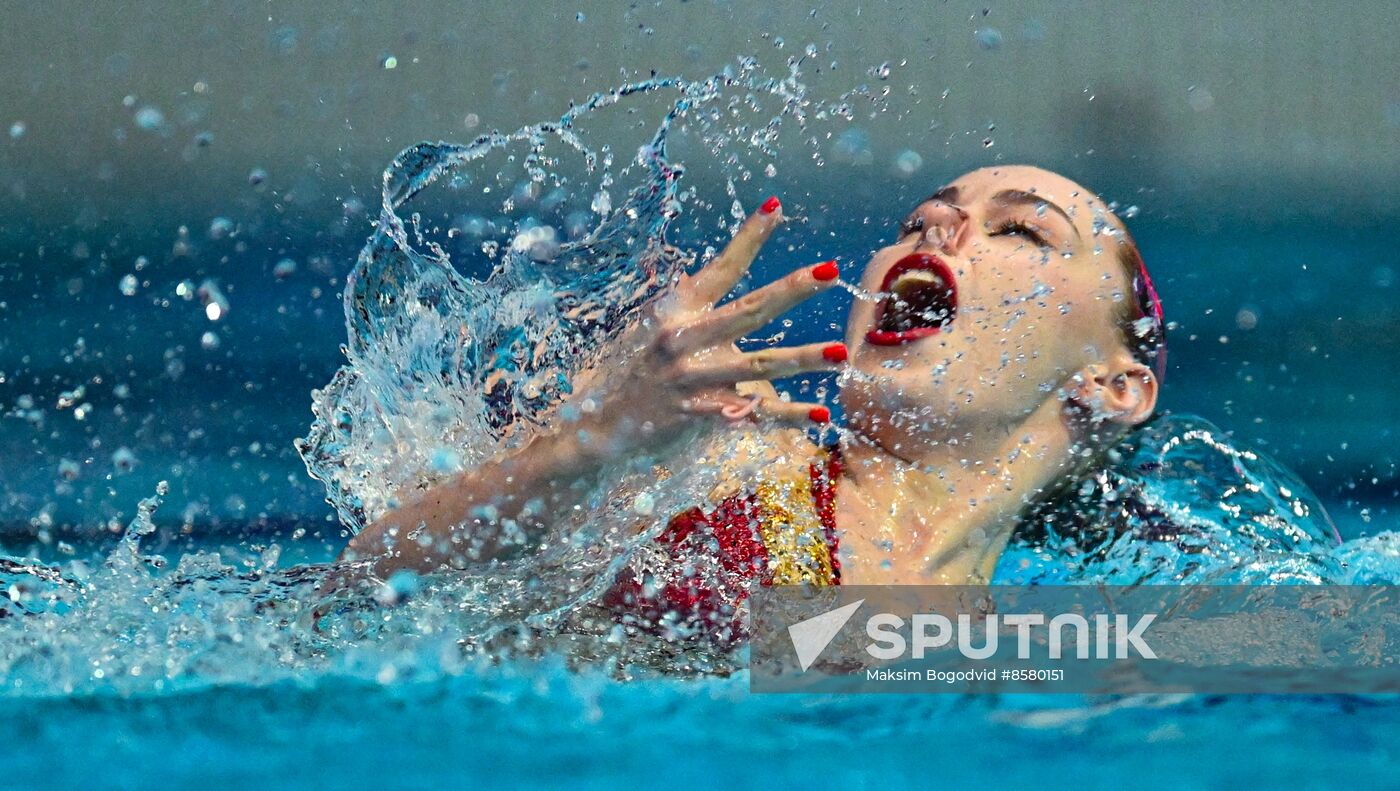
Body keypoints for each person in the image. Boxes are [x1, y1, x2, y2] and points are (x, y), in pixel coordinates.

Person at [338, 165, 1166, 627]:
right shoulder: (728, 456)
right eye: (919, 219)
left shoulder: (1021, 651)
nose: (937, 232)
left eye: (1019, 230)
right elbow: (368, 580)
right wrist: (598, 439)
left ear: (1115, 386)